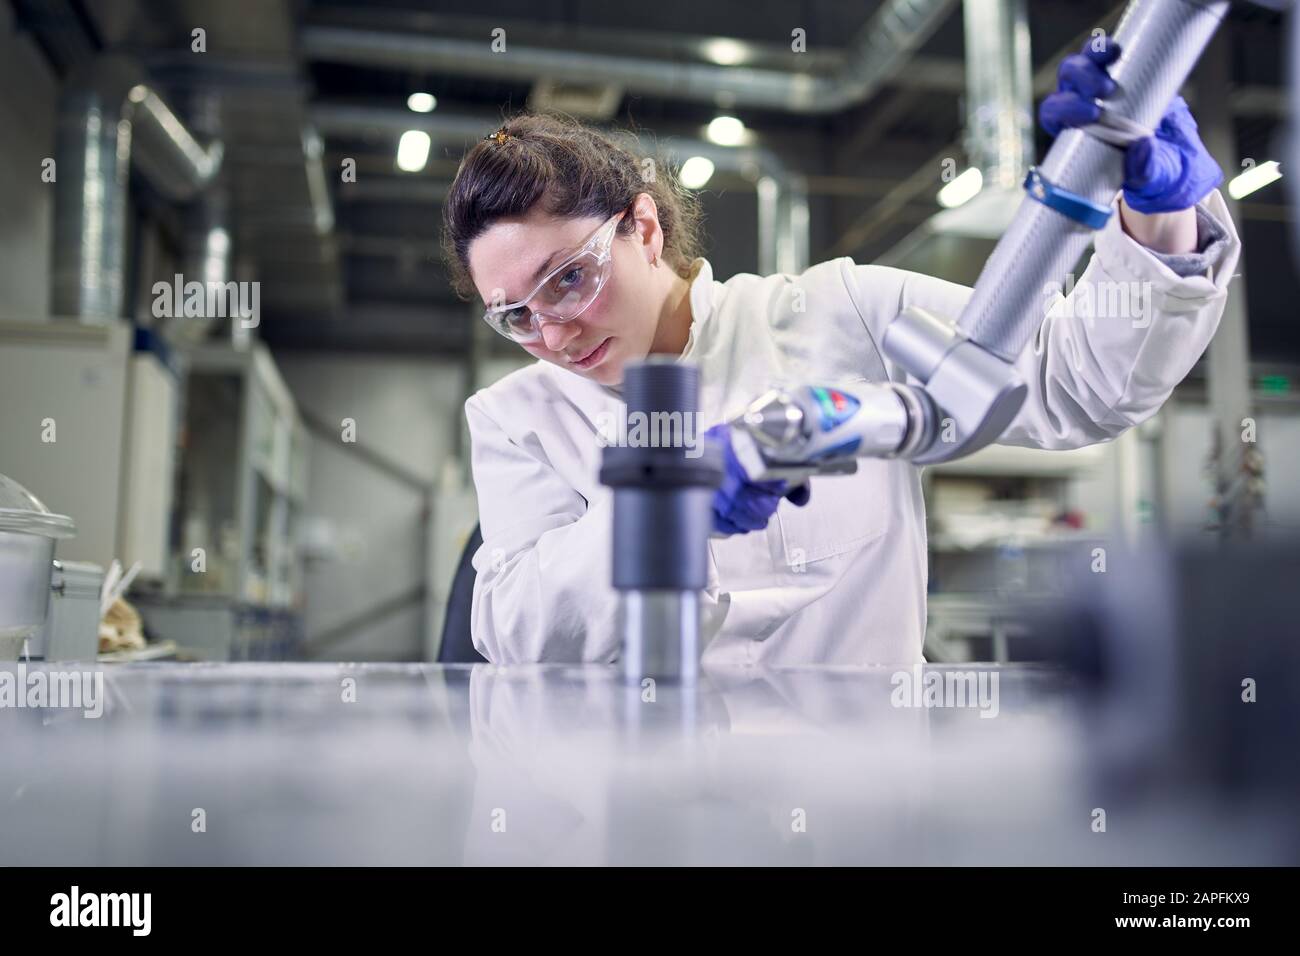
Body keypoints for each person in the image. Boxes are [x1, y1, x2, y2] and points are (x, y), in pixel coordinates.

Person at [441, 38, 1240, 666]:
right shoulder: (516, 417)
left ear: (643, 229)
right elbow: (516, 633)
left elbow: (1078, 387)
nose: (553, 333)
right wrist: (663, 513)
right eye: (514, 316)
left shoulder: (841, 314)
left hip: (865, 811)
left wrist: (1160, 222)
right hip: (642, 816)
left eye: (569, 280)